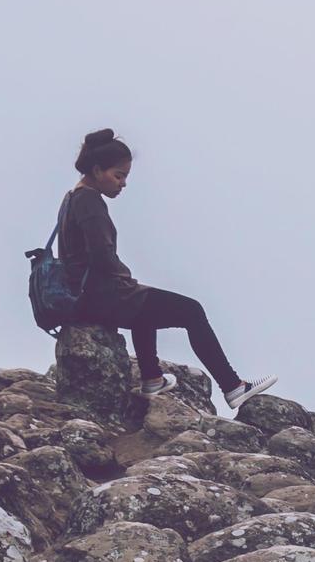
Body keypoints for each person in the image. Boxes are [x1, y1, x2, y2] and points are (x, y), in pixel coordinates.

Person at [53, 127, 275, 413]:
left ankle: (152, 378)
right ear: (97, 170)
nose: (122, 184)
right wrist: (123, 277)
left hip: (84, 297)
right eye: (118, 176)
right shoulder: (90, 201)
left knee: (144, 305)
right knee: (191, 310)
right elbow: (101, 254)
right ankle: (233, 387)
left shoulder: (72, 197)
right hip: (99, 295)